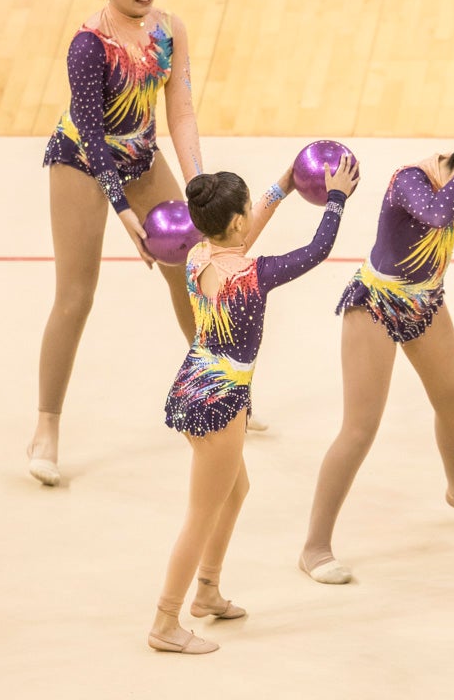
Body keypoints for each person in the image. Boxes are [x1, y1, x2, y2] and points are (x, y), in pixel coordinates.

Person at [297, 99, 454, 584]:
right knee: (360, 429)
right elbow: (439, 214)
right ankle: (314, 546)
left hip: (426, 301)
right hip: (376, 304)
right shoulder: (410, 181)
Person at [27, 0, 211, 486]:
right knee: (76, 296)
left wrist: (198, 187)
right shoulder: (89, 44)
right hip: (83, 162)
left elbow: (180, 111)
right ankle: (46, 426)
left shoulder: (168, 30)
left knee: (192, 272)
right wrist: (125, 213)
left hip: (140, 155)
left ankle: (215, 387)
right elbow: (91, 133)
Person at [149, 160, 359, 654]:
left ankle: (207, 590)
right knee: (201, 515)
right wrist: (336, 199)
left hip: (198, 384)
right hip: (220, 401)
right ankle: (165, 622)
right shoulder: (252, 274)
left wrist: (284, 185)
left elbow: (245, 231)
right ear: (238, 221)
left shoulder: (200, 255)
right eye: (248, 210)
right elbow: (316, 251)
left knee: (236, 489)